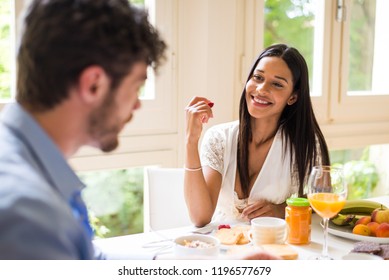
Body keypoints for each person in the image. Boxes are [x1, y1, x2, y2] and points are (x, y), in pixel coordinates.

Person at [0, 0, 278, 260]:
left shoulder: (30, 164)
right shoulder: (28, 215)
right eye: (136, 86)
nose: (136, 105)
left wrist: (207, 267)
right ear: (94, 85)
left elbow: (93, 261)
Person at [184, 43, 330, 227]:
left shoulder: (304, 143)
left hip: (274, 247)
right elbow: (200, 217)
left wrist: (281, 210)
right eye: (258, 77)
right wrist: (191, 141)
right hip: (223, 246)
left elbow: (325, 202)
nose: (261, 89)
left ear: (293, 97)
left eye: (277, 84)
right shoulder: (219, 138)